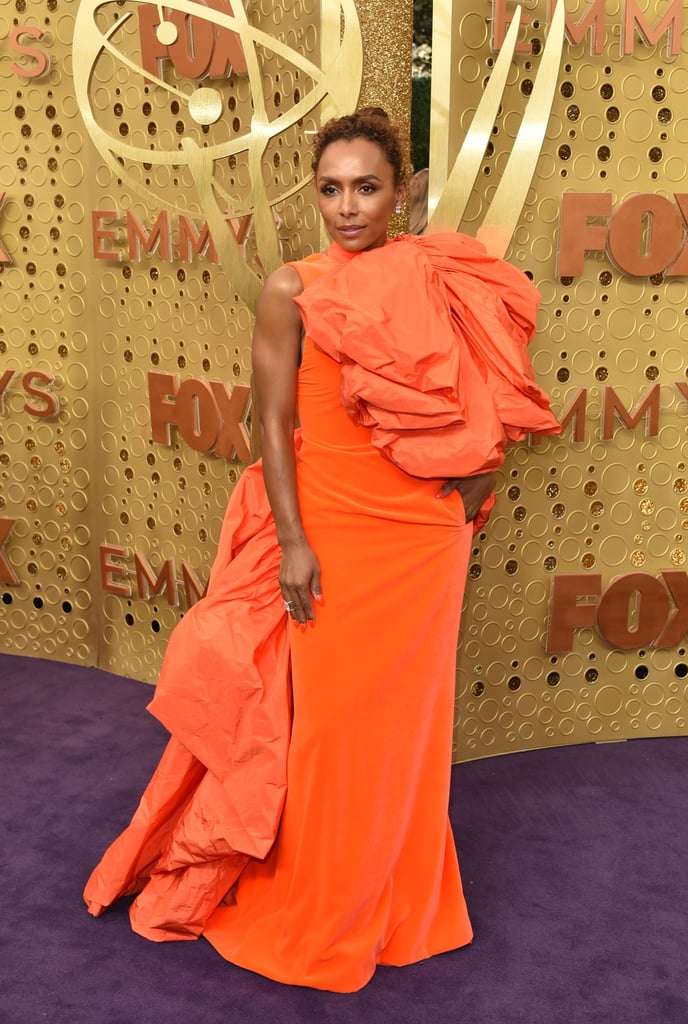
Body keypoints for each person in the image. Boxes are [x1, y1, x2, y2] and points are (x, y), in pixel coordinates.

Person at [83, 108, 560, 993]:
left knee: (408, 734)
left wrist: (475, 485)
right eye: (331, 188)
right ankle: (320, 898)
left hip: (421, 538)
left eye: (367, 187)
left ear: (401, 191)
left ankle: (401, 902)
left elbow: (486, 387)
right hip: (331, 531)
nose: (347, 206)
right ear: (315, 191)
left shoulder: (437, 274)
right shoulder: (289, 288)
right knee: (332, 733)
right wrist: (293, 541)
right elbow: (269, 419)